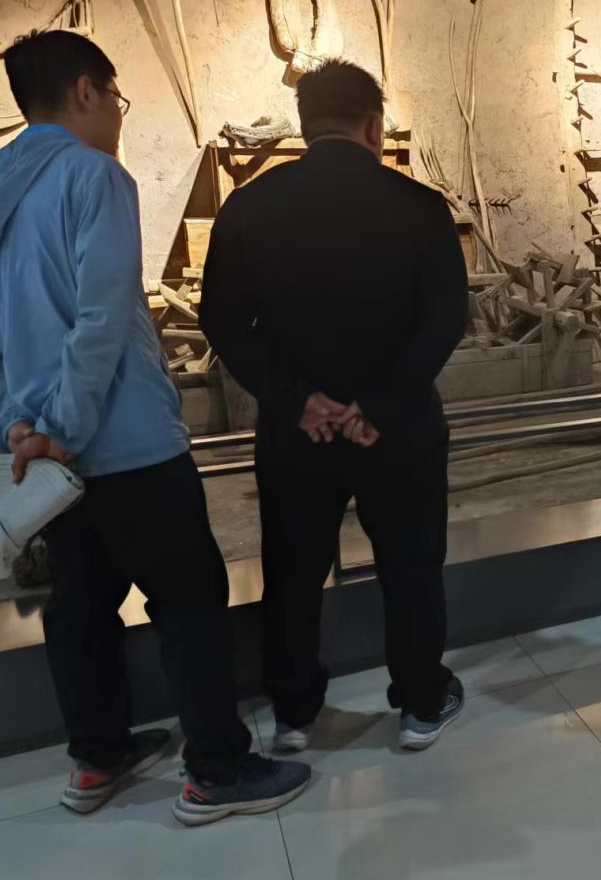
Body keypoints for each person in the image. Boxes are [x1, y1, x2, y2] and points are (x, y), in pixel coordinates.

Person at [0, 31, 309, 826]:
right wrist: (66, 426)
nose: (117, 111)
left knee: (79, 605)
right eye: (116, 95)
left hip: (45, 464)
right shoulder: (94, 177)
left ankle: (97, 757)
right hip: (127, 447)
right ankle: (215, 771)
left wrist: (15, 427)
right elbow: (103, 313)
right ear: (86, 91)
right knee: (188, 601)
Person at [200, 59, 470, 754]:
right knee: (411, 567)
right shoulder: (419, 206)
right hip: (398, 430)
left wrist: (297, 401)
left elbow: (222, 321)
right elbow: (445, 319)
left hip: (299, 434)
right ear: (374, 126)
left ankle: (293, 711)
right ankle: (419, 702)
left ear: (304, 125)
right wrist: (376, 404)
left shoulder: (249, 207)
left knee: (293, 572)